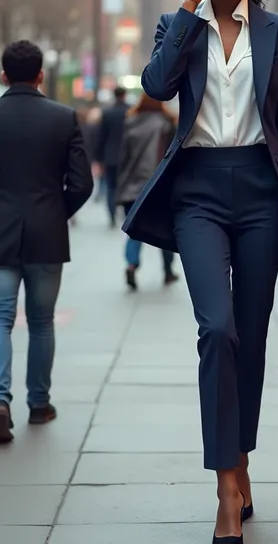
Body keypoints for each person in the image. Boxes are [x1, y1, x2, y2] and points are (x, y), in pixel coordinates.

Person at [123, 0, 278, 543]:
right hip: (199, 193)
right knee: (217, 330)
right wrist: (189, 8)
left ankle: (241, 463)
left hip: (264, 194)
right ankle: (225, 490)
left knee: (252, 340)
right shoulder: (179, 26)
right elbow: (156, 85)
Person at [0, 41, 93, 443]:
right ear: (40, 75)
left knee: (1, 319)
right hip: (46, 232)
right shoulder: (63, 117)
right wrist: (57, 211)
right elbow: (83, 183)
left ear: (4, 75)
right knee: (41, 322)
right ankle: (39, 404)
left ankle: (0, 401)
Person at [117, 93, 179, 289]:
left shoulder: (130, 122)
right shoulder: (167, 123)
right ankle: (168, 271)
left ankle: (131, 265)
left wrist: (119, 188)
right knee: (165, 230)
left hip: (131, 187)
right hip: (158, 187)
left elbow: (123, 159)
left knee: (134, 231)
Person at [96, 86, 129, 227]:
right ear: (124, 95)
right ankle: (126, 215)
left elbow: (101, 137)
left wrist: (98, 158)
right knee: (127, 186)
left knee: (111, 187)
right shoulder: (130, 112)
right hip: (127, 156)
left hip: (110, 156)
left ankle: (112, 216)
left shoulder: (107, 113)